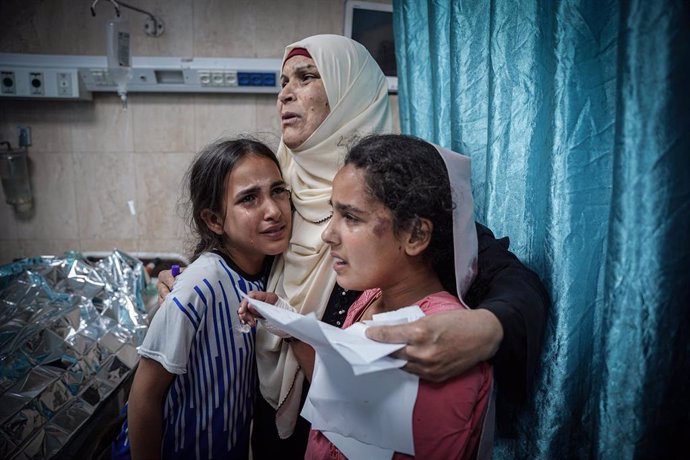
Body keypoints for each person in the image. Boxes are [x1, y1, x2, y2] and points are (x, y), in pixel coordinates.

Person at [157, 34, 549, 457]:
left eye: (306, 77)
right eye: (282, 81)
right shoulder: (281, 194)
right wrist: (188, 280)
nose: (286, 93)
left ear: (351, 93)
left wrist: (489, 327)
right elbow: (237, 263)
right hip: (275, 431)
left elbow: (514, 282)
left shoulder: (397, 194)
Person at [241, 134, 493, 459]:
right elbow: (346, 392)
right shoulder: (371, 296)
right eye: (333, 214)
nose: (328, 234)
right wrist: (288, 327)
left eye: (351, 217)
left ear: (415, 235)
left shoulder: (440, 344)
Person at [112, 138, 292, 460]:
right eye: (249, 198)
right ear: (214, 220)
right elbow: (144, 397)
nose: (274, 210)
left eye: (278, 191)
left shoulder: (271, 272)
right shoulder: (199, 285)